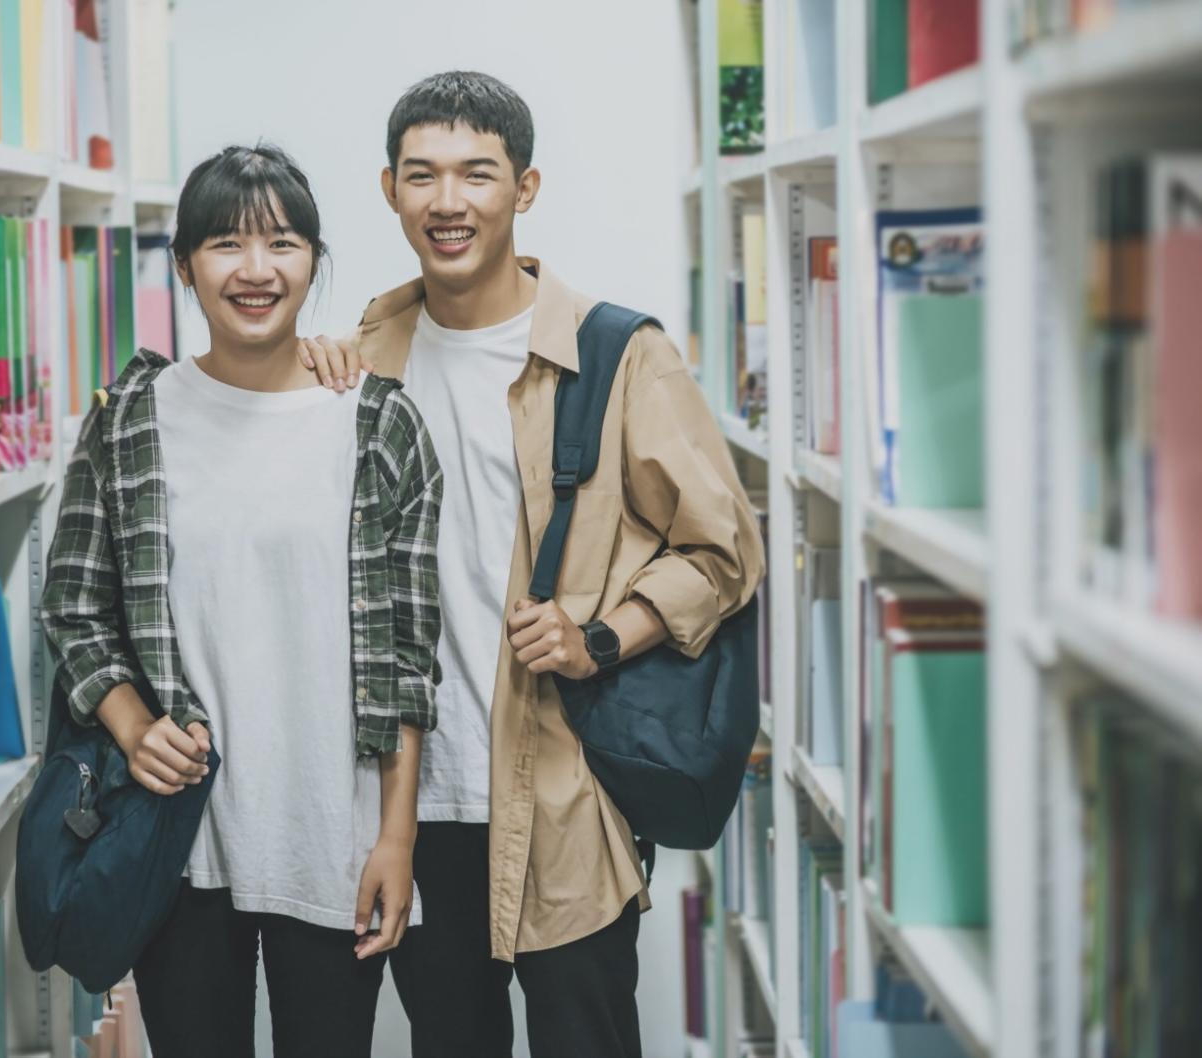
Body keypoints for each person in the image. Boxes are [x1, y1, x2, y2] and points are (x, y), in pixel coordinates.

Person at [300, 71, 766, 1058]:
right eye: (421, 175)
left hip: (565, 791)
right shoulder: (363, 355)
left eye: (477, 173)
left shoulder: (619, 353)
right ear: (389, 190)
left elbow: (723, 549)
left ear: (525, 187)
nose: (448, 201)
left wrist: (602, 636)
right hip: (414, 801)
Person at [41, 143, 444, 1058]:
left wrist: (396, 837)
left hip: (332, 837)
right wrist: (133, 725)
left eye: (282, 243)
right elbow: (73, 606)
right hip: (175, 839)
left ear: (314, 260)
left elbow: (409, 658)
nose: (256, 270)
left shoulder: (378, 423)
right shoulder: (129, 420)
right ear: (184, 266)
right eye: (226, 243)